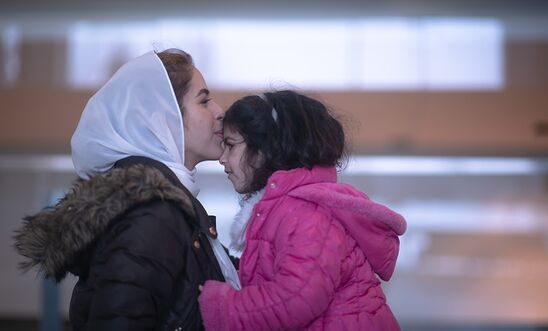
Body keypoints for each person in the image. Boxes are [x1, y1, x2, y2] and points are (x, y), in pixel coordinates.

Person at [13, 49, 240, 331]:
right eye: (204, 101)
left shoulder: (164, 208)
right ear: (163, 119)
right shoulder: (153, 215)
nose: (220, 112)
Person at [198, 90, 407, 331]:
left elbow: (295, 297)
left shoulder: (306, 214)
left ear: (267, 149)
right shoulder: (286, 209)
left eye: (231, 145)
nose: (222, 158)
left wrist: (221, 305)